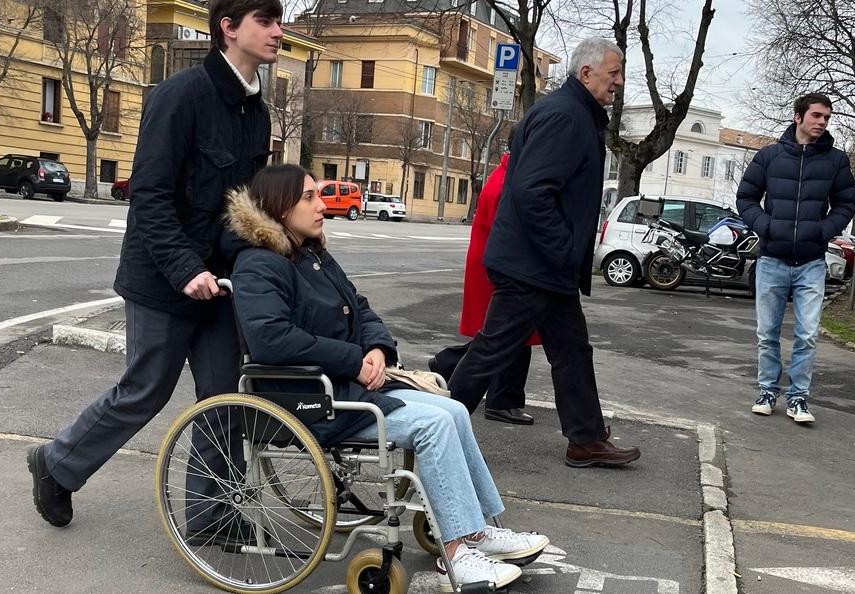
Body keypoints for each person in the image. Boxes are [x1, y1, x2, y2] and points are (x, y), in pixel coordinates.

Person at [222, 164, 550, 591]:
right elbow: (272, 340)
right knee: (433, 426)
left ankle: (477, 530)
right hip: (309, 398)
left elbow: (359, 308)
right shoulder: (257, 265)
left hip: (349, 388)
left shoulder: (312, 255)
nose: (321, 205)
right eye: (309, 197)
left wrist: (377, 349)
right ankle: (456, 555)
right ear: (280, 207)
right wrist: (353, 360)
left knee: (453, 410)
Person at [27, 0, 282, 537]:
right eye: (266, 21)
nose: (278, 32)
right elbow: (149, 195)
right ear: (228, 28)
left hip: (221, 282)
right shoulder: (180, 96)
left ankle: (211, 514)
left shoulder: (257, 112)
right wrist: (185, 269)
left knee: (223, 399)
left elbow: (245, 206)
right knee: (147, 388)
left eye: (279, 20)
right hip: (162, 276)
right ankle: (56, 464)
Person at [446, 37, 641, 468]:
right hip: (534, 265)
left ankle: (586, 438)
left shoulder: (573, 113)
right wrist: (565, 249)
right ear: (586, 73)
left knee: (571, 351)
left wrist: (563, 256)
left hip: (544, 266)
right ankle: (435, 430)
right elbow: (532, 192)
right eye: (614, 73)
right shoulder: (565, 117)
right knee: (492, 351)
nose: (619, 82)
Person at [737, 93, 855, 424]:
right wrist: (767, 226)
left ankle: (798, 398)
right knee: (767, 333)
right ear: (798, 117)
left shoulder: (836, 161)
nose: (822, 122)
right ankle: (767, 391)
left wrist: (822, 231)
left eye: (826, 118)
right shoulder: (769, 157)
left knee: (807, 334)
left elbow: (846, 204)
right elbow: (746, 198)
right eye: (816, 115)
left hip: (811, 262)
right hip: (772, 260)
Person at [431, 133, 540, 426]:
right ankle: (502, 400)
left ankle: (450, 364)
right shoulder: (509, 182)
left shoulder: (506, 175)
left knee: (503, 333)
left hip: (493, 263)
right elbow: (510, 231)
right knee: (508, 334)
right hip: (502, 267)